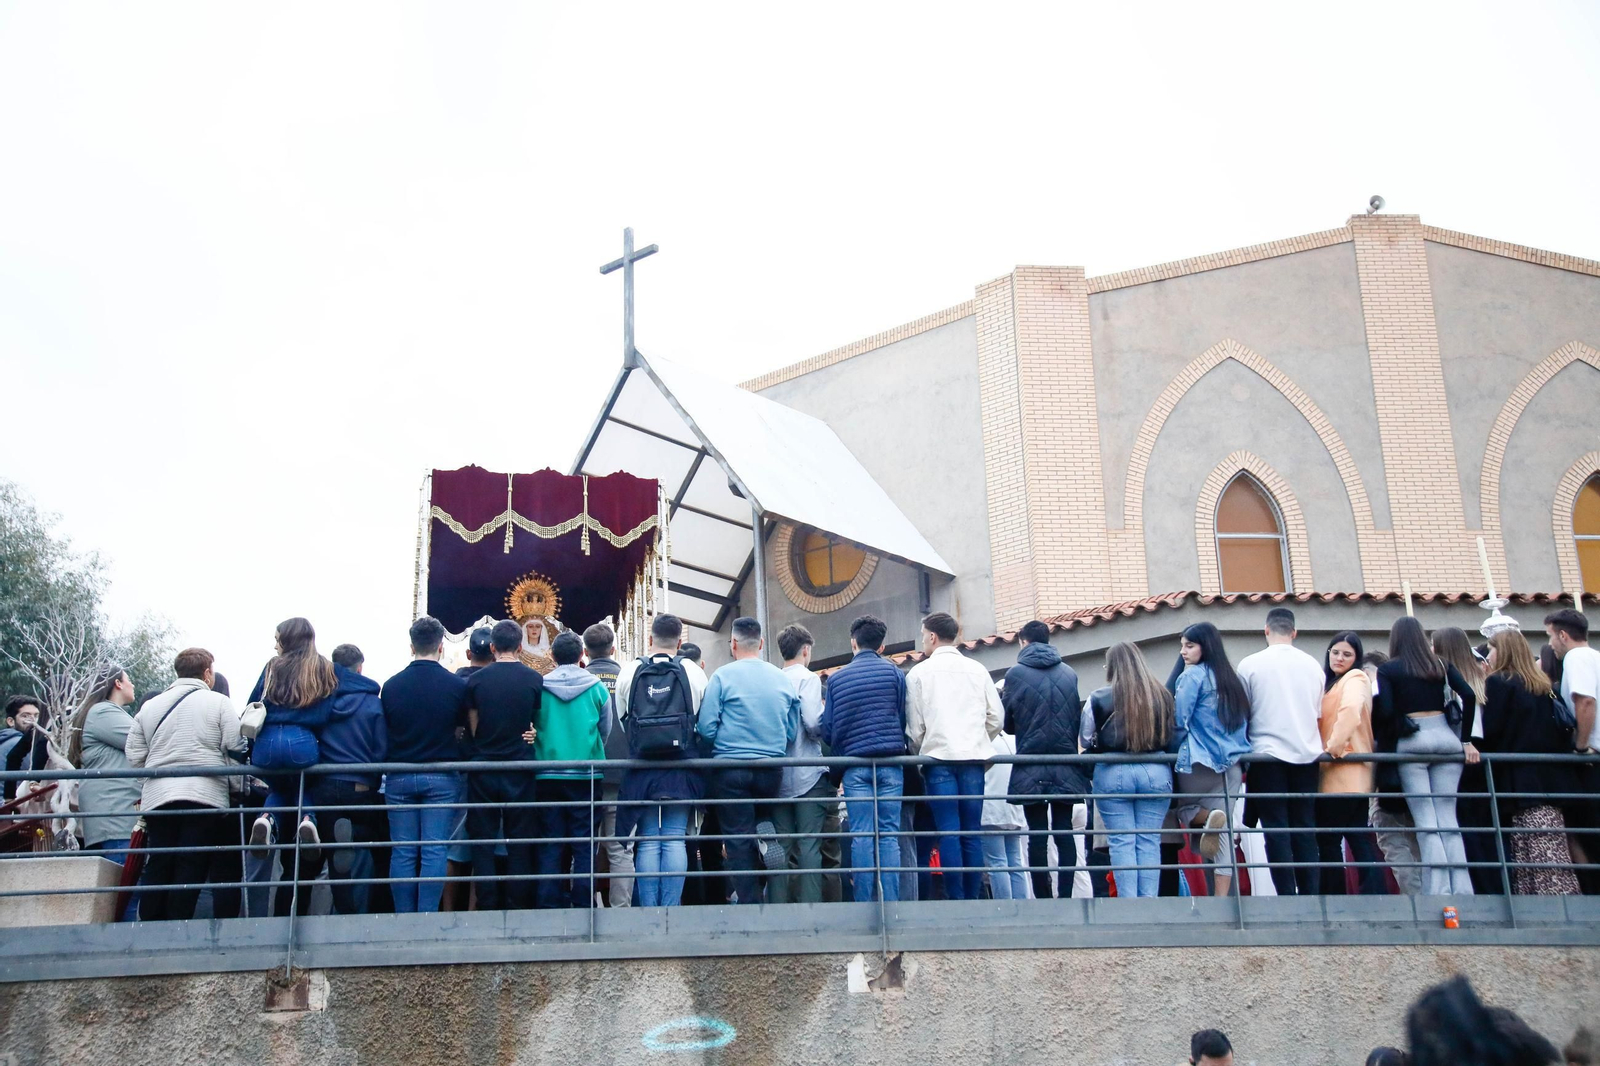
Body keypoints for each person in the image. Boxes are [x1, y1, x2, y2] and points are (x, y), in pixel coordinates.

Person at [125, 647, 244, 921]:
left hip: (159, 797)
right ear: (207, 673)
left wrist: (155, 772)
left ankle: (151, 926)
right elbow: (235, 745)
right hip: (204, 795)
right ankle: (179, 926)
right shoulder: (219, 703)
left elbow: (134, 755)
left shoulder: (150, 706)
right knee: (191, 861)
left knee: (160, 860)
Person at [696, 617, 800, 905]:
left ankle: (750, 904)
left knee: (737, 839)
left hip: (731, 769)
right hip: (771, 769)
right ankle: (765, 833)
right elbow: (791, 731)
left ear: (733, 644)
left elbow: (705, 728)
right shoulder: (782, 678)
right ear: (762, 643)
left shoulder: (722, 676)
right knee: (759, 821)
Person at [1373, 616, 1479, 896]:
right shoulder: (1441, 664)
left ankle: (1439, 891)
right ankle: (1463, 890)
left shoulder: (1388, 670)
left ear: (1395, 639)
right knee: (1448, 818)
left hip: (1412, 742)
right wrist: (1465, 739)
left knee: (1425, 819)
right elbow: (1468, 695)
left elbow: (1385, 711)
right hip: (1446, 738)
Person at [906, 611, 1003, 901]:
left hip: (938, 761)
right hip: (973, 760)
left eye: (923, 636)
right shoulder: (977, 670)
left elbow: (914, 729)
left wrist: (926, 746)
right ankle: (973, 899)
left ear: (932, 637)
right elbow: (996, 717)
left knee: (948, 831)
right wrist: (977, 738)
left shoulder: (918, 674)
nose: (923, 641)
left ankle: (956, 900)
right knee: (971, 831)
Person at [248, 617, 339, 915]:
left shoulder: (272, 666)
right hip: (303, 742)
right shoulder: (324, 667)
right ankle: (308, 820)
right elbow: (326, 712)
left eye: (278, 638)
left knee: (278, 785)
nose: (275, 644)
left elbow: (252, 704)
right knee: (305, 782)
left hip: (267, 745)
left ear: (288, 639)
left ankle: (268, 818)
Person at [615, 614, 707, 907]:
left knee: (649, 839)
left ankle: (648, 912)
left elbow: (622, 719)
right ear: (680, 642)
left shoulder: (630, 671)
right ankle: (670, 910)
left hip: (642, 766)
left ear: (650, 639)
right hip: (682, 765)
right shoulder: (692, 671)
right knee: (674, 837)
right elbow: (702, 721)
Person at [380, 615, 469, 913]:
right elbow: (461, 730)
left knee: (403, 852)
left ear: (411, 646)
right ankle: (427, 918)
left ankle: (404, 918)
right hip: (441, 775)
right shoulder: (456, 686)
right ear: (441, 647)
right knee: (434, 850)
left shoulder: (391, 687)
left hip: (399, 775)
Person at [1482, 629, 1582, 895]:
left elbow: (1490, 730)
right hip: (1551, 777)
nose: (1488, 655)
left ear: (1502, 651)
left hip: (1520, 779)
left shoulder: (1499, 682)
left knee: (1529, 847)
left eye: (1491, 649)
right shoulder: (1542, 684)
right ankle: (1560, 898)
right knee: (1551, 845)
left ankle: (1545, 902)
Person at [820, 614, 909, 903]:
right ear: (882, 646)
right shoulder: (895, 674)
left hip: (855, 766)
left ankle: (863, 905)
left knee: (861, 835)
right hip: (891, 764)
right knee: (889, 835)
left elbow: (829, 730)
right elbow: (902, 717)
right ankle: (891, 905)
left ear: (853, 642)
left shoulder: (837, 679)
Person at [1237, 606, 1325, 896]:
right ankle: (1311, 893)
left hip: (1266, 754)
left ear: (1266, 630)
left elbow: (1243, 713)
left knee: (1276, 830)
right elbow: (1317, 710)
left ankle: (1286, 894)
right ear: (1294, 632)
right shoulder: (1313, 665)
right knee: (1305, 828)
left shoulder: (1250, 664)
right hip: (1308, 754)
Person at [1081, 641, 1176, 898]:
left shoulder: (1099, 697)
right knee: (1149, 842)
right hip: (1156, 770)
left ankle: (1129, 906)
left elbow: (1084, 738)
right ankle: (1149, 904)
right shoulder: (1162, 696)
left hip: (1113, 771)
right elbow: (1170, 734)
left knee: (1122, 842)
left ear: (1112, 668)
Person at [463, 618, 544, 910]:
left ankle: (487, 905)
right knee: (519, 840)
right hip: (520, 768)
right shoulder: (534, 679)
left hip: (483, 767)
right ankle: (518, 904)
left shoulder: (475, 680)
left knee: (483, 842)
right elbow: (534, 722)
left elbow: (473, 723)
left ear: (493, 647)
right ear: (521, 647)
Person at [1001, 619, 1084, 900]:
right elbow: (1075, 718)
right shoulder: (1070, 673)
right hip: (1065, 761)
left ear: (1023, 641)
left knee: (1037, 833)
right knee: (1064, 831)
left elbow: (1007, 724)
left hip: (1031, 760)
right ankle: (1066, 898)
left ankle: (1043, 900)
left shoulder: (1015, 674)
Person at [1171, 622, 1251, 898]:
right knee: (1225, 832)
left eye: (1189, 645)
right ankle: (1222, 901)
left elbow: (1179, 721)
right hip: (1232, 765)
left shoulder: (1192, 677)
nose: (1183, 651)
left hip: (1198, 763)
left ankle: (1205, 819)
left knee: (1183, 809)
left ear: (1205, 647)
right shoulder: (1234, 679)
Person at [531, 631, 610, 909]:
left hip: (547, 772)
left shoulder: (540, 687)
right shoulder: (597, 688)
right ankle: (583, 903)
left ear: (551, 656)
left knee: (551, 842)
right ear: (581, 656)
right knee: (584, 844)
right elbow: (605, 730)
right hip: (586, 774)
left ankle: (548, 904)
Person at [309, 643, 388, 915]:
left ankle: (342, 913)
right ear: (360, 667)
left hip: (326, 784)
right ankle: (372, 910)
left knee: (333, 853)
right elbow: (381, 750)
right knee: (379, 843)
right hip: (361, 785)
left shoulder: (321, 700)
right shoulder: (373, 703)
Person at [1318, 630, 1387, 895]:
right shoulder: (1333, 681)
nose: (1339, 657)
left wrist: (1333, 747)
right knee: (1348, 836)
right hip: (1338, 771)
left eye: (1347, 654)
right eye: (1335, 652)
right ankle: (1369, 892)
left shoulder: (1355, 678)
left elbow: (1350, 711)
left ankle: (1344, 895)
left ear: (1356, 658)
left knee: (1336, 838)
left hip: (1344, 767)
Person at [1435, 626, 1499, 894]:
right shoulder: (1482, 675)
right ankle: (1493, 885)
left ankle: (1477, 886)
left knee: (1462, 821)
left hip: (1461, 749)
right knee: (1484, 823)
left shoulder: (1449, 679)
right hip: (1483, 752)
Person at [771, 624, 830, 904]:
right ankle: (812, 913)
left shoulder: (771, 679)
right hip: (808, 773)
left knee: (781, 846)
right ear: (806, 650)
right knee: (809, 845)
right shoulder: (808, 679)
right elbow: (812, 722)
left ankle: (780, 911)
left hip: (777, 776)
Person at [1545, 608, 1600, 893]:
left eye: (1551, 637)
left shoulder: (1576, 658)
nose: (1551, 644)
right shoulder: (1596, 657)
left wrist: (1580, 747)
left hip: (1591, 759)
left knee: (1587, 832)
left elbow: (1585, 701)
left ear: (1563, 635)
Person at [67, 663, 141, 867]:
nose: (132, 685)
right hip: (116, 821)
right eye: (129, 679)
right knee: (126, 894)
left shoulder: (100, 712)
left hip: (111, 819)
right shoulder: (103, 712)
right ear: (117, 683)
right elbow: (143, 740)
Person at [583, 622, 634, 909]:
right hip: (621, 774)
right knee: (620, 850)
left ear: (586, 651)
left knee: (584, 847)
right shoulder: (629, 677)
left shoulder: (579, 680)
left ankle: (583, 907)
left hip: (587, 777)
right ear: (613, 648)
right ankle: (621, 913)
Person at [1365, 649, 1421, 894]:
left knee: (1394, 843)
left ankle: (1416, 899)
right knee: (1416, 844)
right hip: (1414, 780)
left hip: (1386, 785)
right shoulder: (1408, 696)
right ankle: (1430, 897)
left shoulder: (1378, 702)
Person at [981, 731, 1028, 899]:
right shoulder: (1013, 739)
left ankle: (1004, 908)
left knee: (997, 862)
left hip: (990, 808)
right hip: (1014, 808)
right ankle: (1021, 908)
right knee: (1015, 862)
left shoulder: (981, 740)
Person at [2, 697, 51, 799]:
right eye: (25, 716)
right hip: (11, 804)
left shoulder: (4, 741)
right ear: (11, 721)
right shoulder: (16, 744)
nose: (33, 720)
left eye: (37, 715)